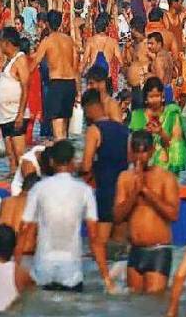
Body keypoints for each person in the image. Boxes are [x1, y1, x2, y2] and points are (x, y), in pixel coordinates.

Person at [18, 140, 114, 293]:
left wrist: (14, 270)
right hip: (71, 272)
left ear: (51, 161)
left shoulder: (39, 188)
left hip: (43, 270)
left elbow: (25, 230)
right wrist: (107, 279)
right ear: (73, 162)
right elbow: (94, 238)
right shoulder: (84, 191)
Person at [113, 130, 179, 294]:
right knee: (135, 304)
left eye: (144, 152)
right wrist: (134, 194)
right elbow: (117, 217)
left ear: (152, 151)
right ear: (130, 152)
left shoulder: (166, 178)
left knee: (153, 304)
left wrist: (147, 192)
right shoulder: (125, 178)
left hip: (158, 251)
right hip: (135, 251)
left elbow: (173, 214)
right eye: (136, 152)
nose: (139, 158)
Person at [77, 88, 128, 268]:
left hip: (106, 191)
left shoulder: (94, 130)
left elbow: (86, 166)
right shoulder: (123, 130)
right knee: (121, 249)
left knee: (99, 248)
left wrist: (74, 168)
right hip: (125, 193)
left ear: (89, 108)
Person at [29, 10, 78, 139]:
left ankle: (58, 155)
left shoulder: (47, 41)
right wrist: (79, 90)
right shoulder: (69, 40)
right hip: (70, 84)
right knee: (65, 128)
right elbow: (75, 66)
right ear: (61, 23)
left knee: (57, 128)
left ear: (47, 24)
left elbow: (35, 62)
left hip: (56, 84)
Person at [129, 76, 186, 175]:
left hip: (165, 167)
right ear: (145, 98)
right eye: (151, 97)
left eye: (157, 96)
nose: (155, 100)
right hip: (142, 167)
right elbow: (132, 145)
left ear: (162, 96)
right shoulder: (137, 116)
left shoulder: (172, 115)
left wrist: (161, 132)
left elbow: (175, 145)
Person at [0, 27, 30, 173]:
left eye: (0, 42)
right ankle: (11, 186)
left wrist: (20, 114)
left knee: (20, 156)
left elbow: (26, 86)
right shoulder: (8, 61)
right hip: (5, 117)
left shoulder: (20, 59)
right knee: (11, 156)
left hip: (15, 114)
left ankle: (27, 185)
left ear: (7, 43)